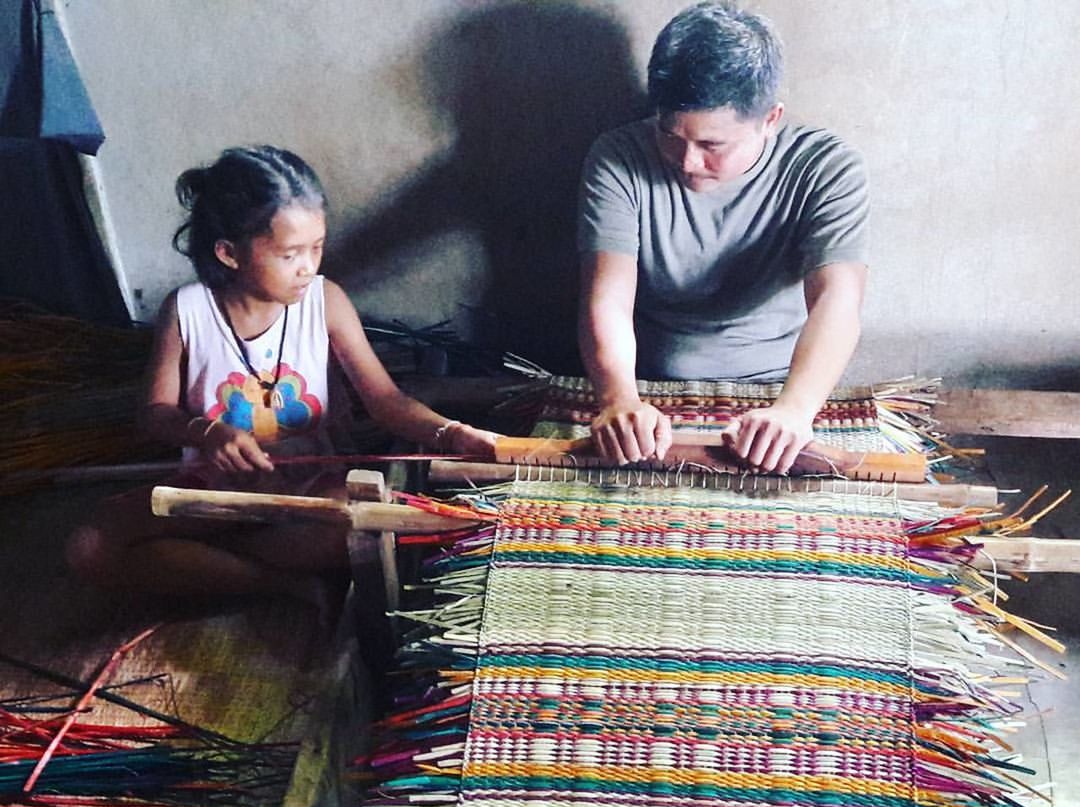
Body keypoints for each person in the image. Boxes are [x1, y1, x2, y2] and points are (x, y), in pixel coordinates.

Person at [67, 145, 497, 609]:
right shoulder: (186, 310)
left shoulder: (325, 301)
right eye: (291, 253)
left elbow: (385, 401)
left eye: (316, 248)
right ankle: (282, 584)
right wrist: (206, 432)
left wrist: (450, 432)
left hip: (311, 491)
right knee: (90, 548)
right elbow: (154, 414)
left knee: (358, 523)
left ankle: (199, 565)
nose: (308, 267)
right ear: (229, 253)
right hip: (213, 490)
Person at [578, 1, 868, 473]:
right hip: (647, 389)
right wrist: (618, 398)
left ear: (770, 120)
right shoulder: (618, 157)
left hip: (780, 388)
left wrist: (795, 410)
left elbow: (838, 299)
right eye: (671, 136)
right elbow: (606, 299)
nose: (688, 162)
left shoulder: (827, 167)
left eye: (713, 145)